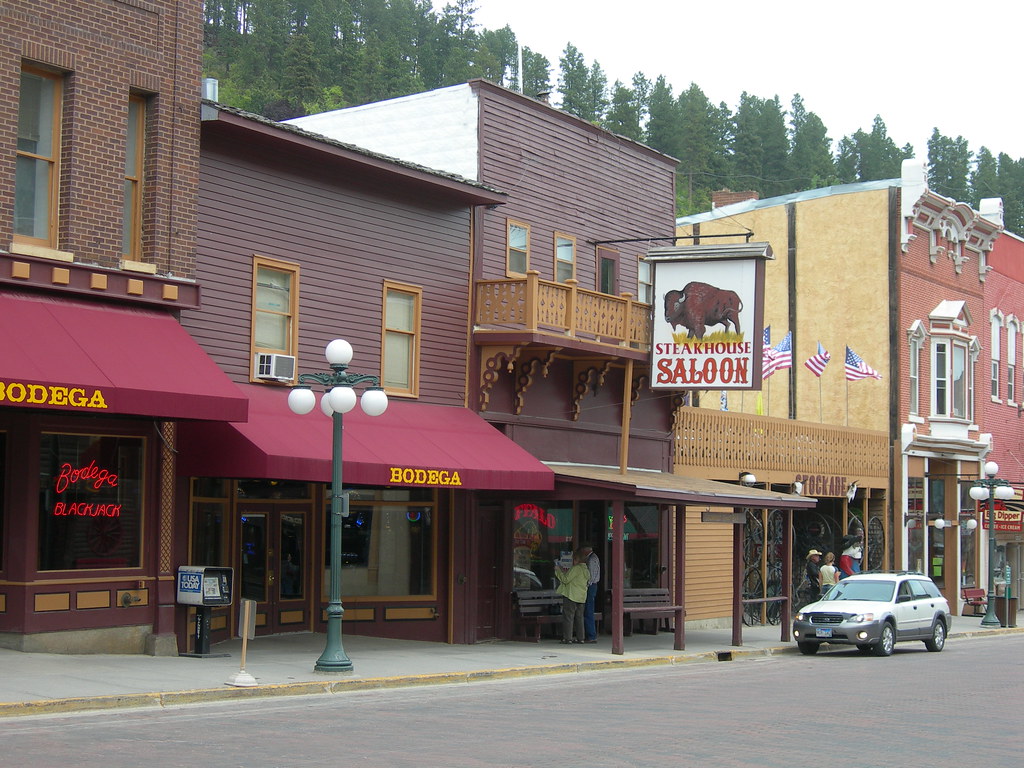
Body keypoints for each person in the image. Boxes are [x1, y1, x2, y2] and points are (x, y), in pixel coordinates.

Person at [553, 548, 589, 644]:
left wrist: (558, 571)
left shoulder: (576, 568)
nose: (573, 561)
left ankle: (567, 638)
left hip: (571, 595)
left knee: (568, 617)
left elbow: (565, 580)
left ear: (577, 559)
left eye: (574, 559)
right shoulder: (586, 569)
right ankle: (581, 638)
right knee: (579, 617)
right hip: (581, 597)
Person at [581, 543, 600, 643]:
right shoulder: (593, 557)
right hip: (593, 586)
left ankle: (591, 635)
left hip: (591, 586)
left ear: (586, 550)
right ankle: (590, 634)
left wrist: (586, 585)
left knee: (588, 610)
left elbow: (591, 576)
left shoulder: (591, 559)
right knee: (588, 610)